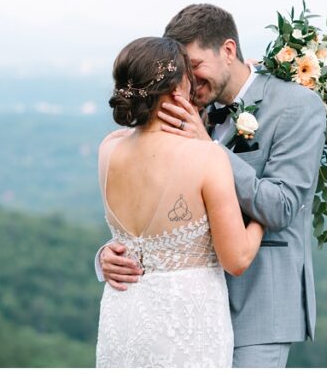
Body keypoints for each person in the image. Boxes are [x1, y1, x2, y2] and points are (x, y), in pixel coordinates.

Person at [97, 4, 326, 368]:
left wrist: (209, 145)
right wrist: (113, 253)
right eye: (181, 71)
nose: (188, 79)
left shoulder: (297, 106)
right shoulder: (178, 106)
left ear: (228, 51)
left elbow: (282, 206)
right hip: (180, 312)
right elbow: (159, 204)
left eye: (194, 65)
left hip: (257, 310)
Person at [94, 36, 264, 367]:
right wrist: (264, 216)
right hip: (185, 322)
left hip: (123, 313)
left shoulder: (108, 150)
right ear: (176, 91)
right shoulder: (206, 158)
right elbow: (237, 258)